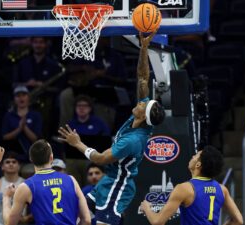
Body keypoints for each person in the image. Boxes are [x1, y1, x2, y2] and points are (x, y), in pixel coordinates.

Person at [58, 32, 165, 225]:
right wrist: (144, 48)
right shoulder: (140, 116)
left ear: (142, 116)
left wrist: (78, 143)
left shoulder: (132, 141)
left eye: (142, 105)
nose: (140, 102)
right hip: (108, 180)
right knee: (72, 209)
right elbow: (142, 78)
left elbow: (100, 158)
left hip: (118, 186)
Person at [140, 145, 243, 225]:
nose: (193, 156)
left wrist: (147, 208)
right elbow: (238, 221)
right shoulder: (222, 189)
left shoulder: (185, 189)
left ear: (198, 164)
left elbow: (158, 222)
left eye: (196, 155)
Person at [2, 139, 91, 225]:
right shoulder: (71, 180)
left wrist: (6, 197)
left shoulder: (27, 186)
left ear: (31, 159)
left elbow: (9, 223)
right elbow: (87, 220)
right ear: (51, 158)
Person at [2, 86, 42, 158]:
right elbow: (5, 137)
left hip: (30, 156)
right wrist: (19, 129)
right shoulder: (8, 115)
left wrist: (24, 127)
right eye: (18, 96)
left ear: (28, 97)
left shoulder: (36, 115)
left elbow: (35, 139)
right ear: (14, 99)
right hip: (12, 156)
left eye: (24, 95)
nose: (21, 98)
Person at [0, 151, 27, 225]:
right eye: (7, 162)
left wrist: (27, 219)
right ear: (2, 166)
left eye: (14, 162)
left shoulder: (25, 184)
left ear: (19, 166)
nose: (11, 164)